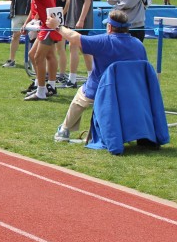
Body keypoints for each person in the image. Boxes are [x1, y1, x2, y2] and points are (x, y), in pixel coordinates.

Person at [48, 9, 148, 142]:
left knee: (80, 96)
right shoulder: (138, 44)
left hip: (102, 89)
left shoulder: (103, 41)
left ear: (110, 27)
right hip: (131, 91)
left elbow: (74, 37)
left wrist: (58, 26)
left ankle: (64, 130)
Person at [4, 0, 60, 100]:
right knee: (33, 55)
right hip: (45, 27)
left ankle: (42, 91)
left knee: (39, 57)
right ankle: (41, 87)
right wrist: (27, 23)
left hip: (48, 27)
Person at [61, 0, 94, 88]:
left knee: (81, 48)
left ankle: (76, 79)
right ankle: (84, 77)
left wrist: (81, 19)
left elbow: (87, 0)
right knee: (78, 48)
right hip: (73, 19)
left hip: (80, 21)